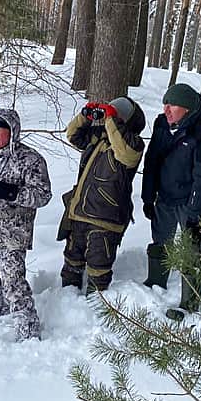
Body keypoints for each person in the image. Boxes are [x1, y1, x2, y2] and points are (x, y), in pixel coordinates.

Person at [0, 109, 52, 341]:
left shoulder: (30, 160)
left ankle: (28, 332)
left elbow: (42, 195)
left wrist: (10, 192)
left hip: (11, 237)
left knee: (13, 285)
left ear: (11, 132)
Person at [141, 83, 201, 321]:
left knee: (191, 250)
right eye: (164, 104)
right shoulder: (162, 125)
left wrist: (195, 213)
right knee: (161, 239)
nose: (166, 109)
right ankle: (156, 280)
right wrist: (148, 196)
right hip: (164, 197)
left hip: (189, 201)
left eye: (172, 105)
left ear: (187, 108)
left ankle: (190, 301)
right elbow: (152, 162)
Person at [59, 96, 146, 293]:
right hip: (79, 213)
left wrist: (110, 119)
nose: (109, 117)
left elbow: (125, 152)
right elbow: (72, 135)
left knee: (98, 270)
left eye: (116, 114)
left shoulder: (134, 144)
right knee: (72, 263)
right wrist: (85, 116)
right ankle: (66, 302)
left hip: (105, 220)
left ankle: (95, 312)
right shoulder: (99, 138)